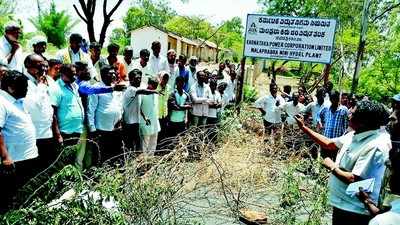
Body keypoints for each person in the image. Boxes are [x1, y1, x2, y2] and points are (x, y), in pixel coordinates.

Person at [295, 100, 391, 225]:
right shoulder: (353, 135)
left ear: (364, 121)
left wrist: (331, 166)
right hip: (343, 205)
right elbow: (329, 144)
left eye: (353, 114)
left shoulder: (375, 145)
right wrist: (304, 127)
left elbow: (354, 179)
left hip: (355, 211)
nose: (349, 115)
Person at [0, 71, 38, 212]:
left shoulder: (18, 101)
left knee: (23, 194)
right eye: (24, 86)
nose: (27, 89)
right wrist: (5, 157)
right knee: (9, 198)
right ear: (10, 87)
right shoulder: (2, 102)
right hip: (13, 160)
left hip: (25, 157)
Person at [23, 54, 61, 170]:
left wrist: (56, 132)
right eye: (40, 66)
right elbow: (35, 105)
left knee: (48, 169)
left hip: (47, 134)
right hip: (34, 136)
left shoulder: (42, 82)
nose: (44, 69)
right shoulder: (24, 82)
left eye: (45, 66)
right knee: (35, 170)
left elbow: (49, 109)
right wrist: (41, 86)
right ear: (29, 66)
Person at [87, 65, 123, 163]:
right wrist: (92, 129)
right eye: (111, 73)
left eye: (114, 73)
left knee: (115, 154)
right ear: (103, 75)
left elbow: (120, 105)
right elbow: (91, 110)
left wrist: (120, 119)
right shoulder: (96, 88)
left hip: (116, 128)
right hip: (102, 129)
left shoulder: (116, 88)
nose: (114, 75)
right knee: (102, 155)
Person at [122, 69, 158, 152]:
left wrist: (144, 117)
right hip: (129, 124)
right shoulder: (131, 89)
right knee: (130, 147)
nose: (139, 80)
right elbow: (142, 91)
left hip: (135, 123)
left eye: (140, 78)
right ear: (130, 79)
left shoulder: (136, 90)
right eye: (137, 78)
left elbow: (138, 108)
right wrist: (154, 91)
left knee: (137, 147)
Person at [53, 64, 84, 140]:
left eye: (74, 74)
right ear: (62, 74)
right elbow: (52, 112)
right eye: (71, 74)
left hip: (77, 129)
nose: (74, 77)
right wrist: (57, 134)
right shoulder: (56, 87)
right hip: (64, 131)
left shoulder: (75, 86)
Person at [140, 78, 160, 155]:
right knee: (145, 143)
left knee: (153, 142)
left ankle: (151, 160)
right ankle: (144, 161)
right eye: (153, 85)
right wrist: (144, 117)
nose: (155, 87)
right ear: (148, 84)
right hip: (145, 122)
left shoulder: (155, 93)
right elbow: (139, 108)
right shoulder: (142, 94)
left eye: (156, 85)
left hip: (155, 122)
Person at [156, 71, 170, 149]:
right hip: (157, 114)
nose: (165, 80)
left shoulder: (168, 87)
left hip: (164, 113)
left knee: (163, 132)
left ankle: (162, 148)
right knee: (157, 132)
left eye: (167, 79)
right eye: (164, 78)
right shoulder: (156, 86)